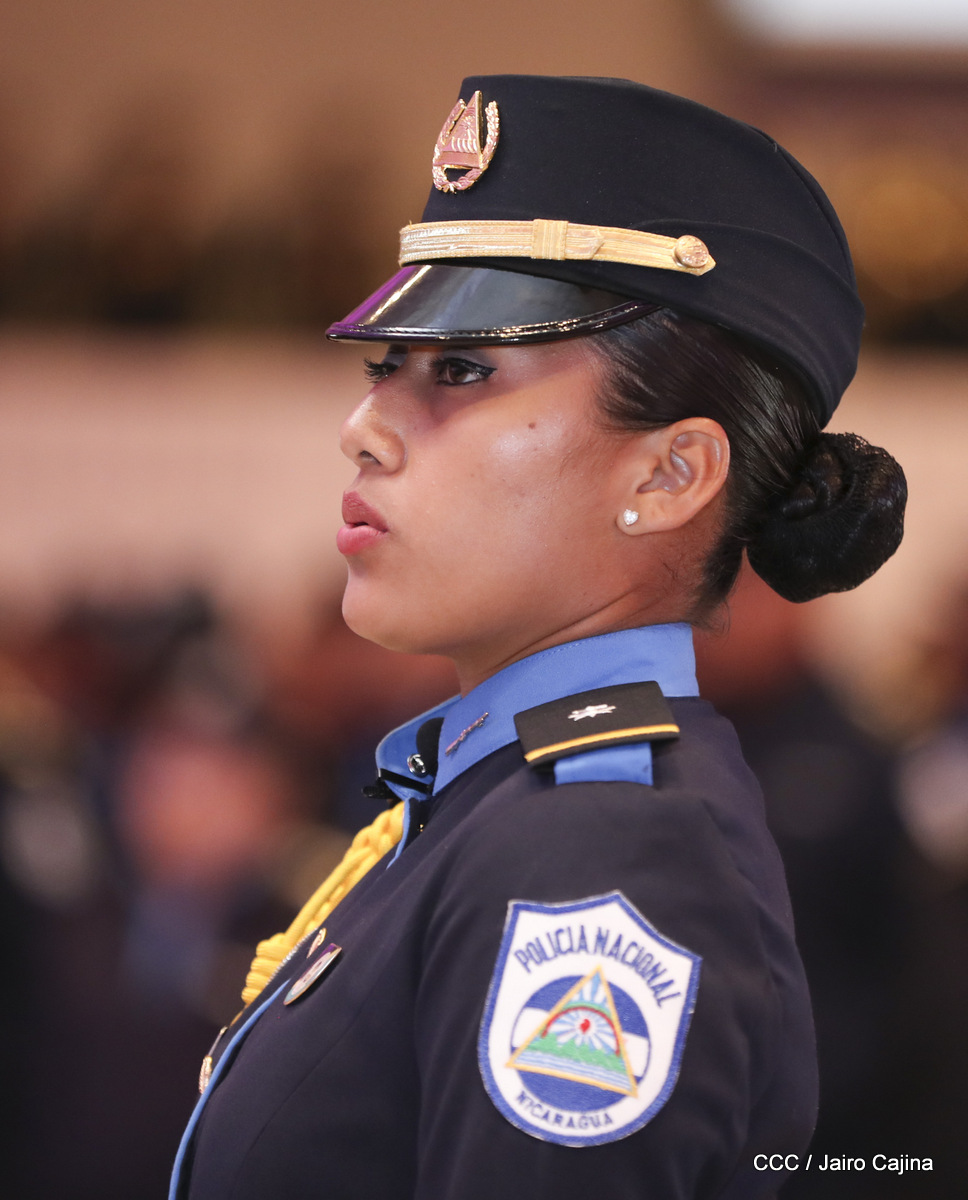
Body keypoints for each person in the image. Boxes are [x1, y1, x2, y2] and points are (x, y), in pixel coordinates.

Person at [169, 76, 906, 1200]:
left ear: (669, 475)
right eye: (384, 367)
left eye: (461, 370)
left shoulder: (601, 851)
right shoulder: (509, 798)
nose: (363, 429)